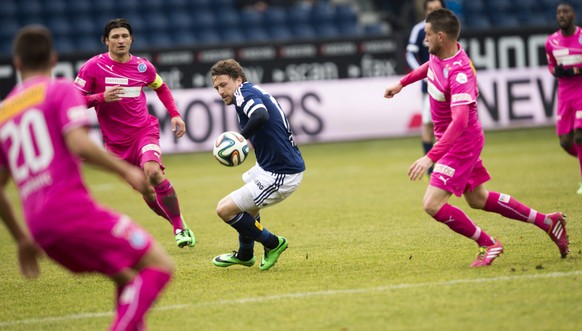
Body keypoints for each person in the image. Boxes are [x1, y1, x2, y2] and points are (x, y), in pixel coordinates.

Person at [0, 25, 173, 330]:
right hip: (71, 212)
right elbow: (79, 145)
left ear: (16, 63)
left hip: (38, 227)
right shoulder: (59, 90)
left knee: (127, 277)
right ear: (53, 60)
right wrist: (126, 169)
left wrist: (22, 238)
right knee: (160, 266)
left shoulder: (5, 111)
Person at [384, 9, 569, 267]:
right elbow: (430, 68)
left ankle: (489, 243)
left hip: (461, 142)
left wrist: (430, 157)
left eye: (427, 35)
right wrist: (403, 83)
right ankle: (547, 222)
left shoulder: (461, 73)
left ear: (441, 36)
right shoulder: (439, 54)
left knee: (431, 204)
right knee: (478, 199)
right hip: (454, 139)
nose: (425, 40)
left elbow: (459, 122)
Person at [73, 18, 195, 248]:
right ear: (105, 41)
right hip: (116, 144)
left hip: (144, 131)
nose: (121, 41)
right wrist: (100, 97)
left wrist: (175, 114)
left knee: (153, 172)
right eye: (115, 37)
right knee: (147, 191)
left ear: (132, 39)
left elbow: (161, 87)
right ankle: (176, 221)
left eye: (124, 36)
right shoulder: (92, 67)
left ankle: (179, 227)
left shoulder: (143, 66)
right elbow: (72, 100)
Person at [210, 59, 305, 271]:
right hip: (268, 166)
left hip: (281, 172)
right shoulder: (249, 91)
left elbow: (261, 114)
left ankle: (273, 243)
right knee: (247, 204)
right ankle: (245, 254)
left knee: (224, 210)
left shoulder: (243, 93)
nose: (220, 91)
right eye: (217, 87)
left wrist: (240, 138)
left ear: (238, 80)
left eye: (224, 85)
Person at [545, 2, 582, 194]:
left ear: (573, 15)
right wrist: (556, 71)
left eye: (565, 12)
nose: (561, 15)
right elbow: (551, 65)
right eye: (559, 13)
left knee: (579, 135)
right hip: (564, 94)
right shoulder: (551, 41)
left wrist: (576, 69)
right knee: (565, 142)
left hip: (581, 91)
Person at [405, 0, 444, 177]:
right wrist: (424, 74)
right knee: (428, 125)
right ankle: (430, 171)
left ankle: (445, 165)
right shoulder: (419, 30)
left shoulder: (449, 31)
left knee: (446, 127)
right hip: (429, 87)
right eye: (430, 9)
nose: (433, 12)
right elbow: (410, 54)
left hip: (450, 86)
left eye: (436, 9)